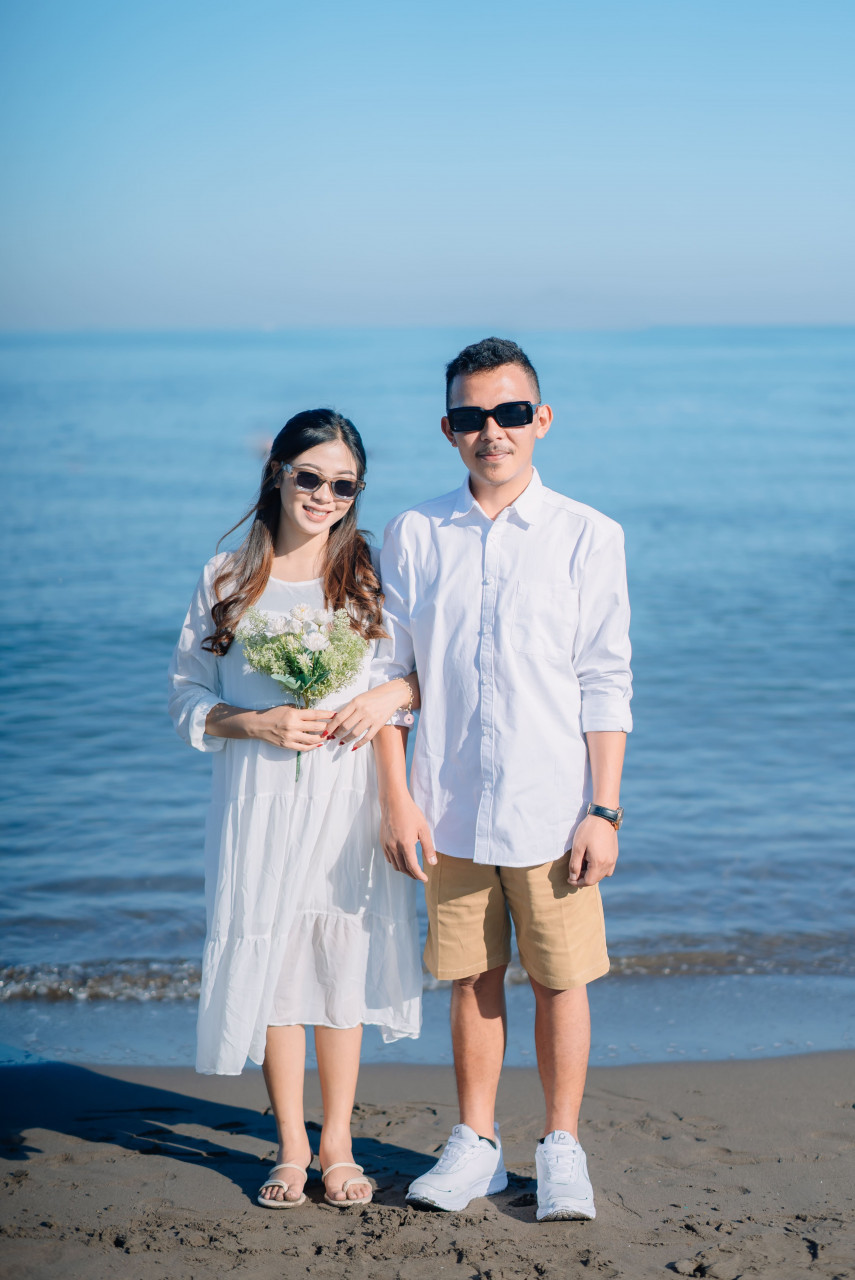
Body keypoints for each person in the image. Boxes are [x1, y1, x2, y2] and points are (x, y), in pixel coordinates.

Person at [372, 338, 632, 1222]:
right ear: (448, 430)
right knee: (470, 979)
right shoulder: (411, 533)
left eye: (510, 412)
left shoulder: (588, 535)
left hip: (554, 804)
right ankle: (476, 1143)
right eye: (473, 417)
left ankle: (560, 1147)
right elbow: (390, 677)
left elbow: (605, 679)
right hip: (446, 805)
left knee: (561, 979)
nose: (494, 431)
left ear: (540, 418)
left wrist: (602, 809)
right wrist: (396, 795)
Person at [168, 408, 422, 1209]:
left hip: (347, 800)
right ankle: (289, 1147)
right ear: (276, 470)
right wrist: (256, 723)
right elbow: (185, 697)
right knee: (274, 963)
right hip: (257, 800)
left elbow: (407, 686)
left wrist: (394, 800)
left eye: (342, 484)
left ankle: (340, 1145)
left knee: (339, 958)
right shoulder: (223, 578)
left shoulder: (368, 578)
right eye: (309, 476)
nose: (323, 494)